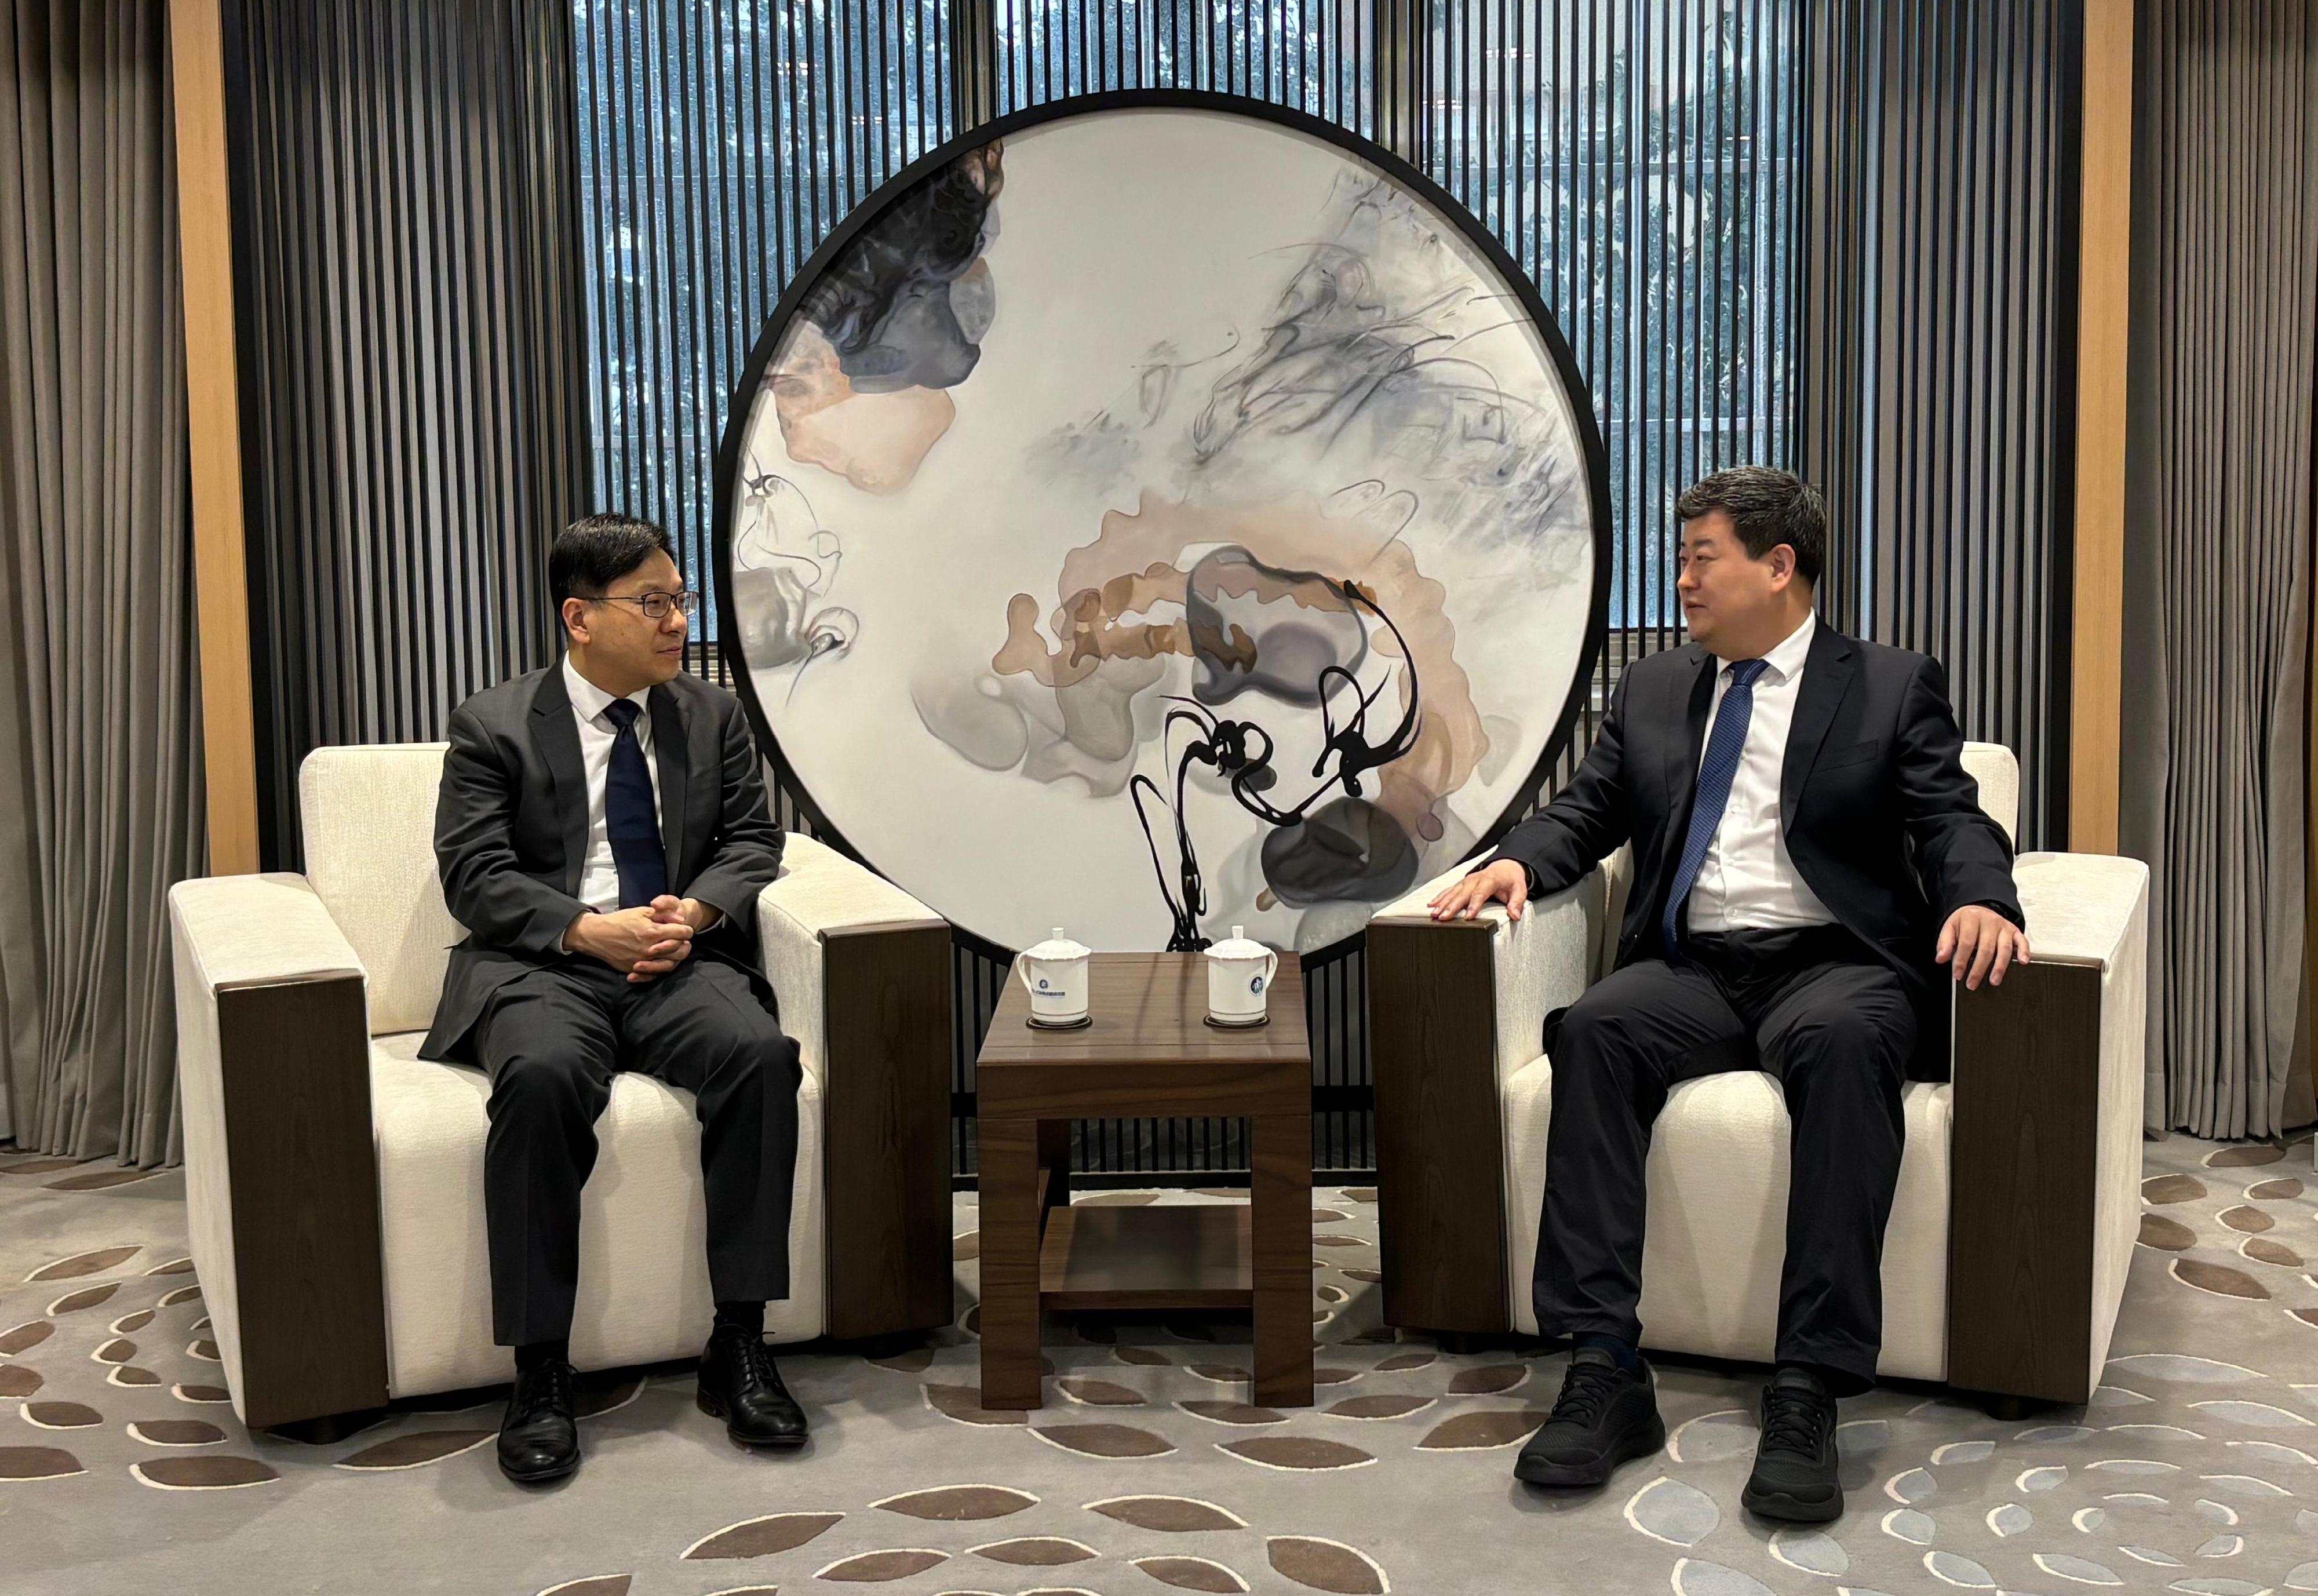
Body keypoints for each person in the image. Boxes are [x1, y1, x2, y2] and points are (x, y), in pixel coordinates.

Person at [1428, 467, 2029, 1523]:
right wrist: (1523, 861)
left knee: (1848, 1046)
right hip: (1698, 966)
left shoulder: (1888, 685)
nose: (1684, 580)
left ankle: (1809, 1386)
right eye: (1685, 557)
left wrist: (1985, 898)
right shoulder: (1661, 689)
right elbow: (1587, 808)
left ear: (1779, 566)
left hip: (1836, 962)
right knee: (1601, 1030)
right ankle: (1605, 1365)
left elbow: (1950, 818)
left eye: (1703, 556)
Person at [419, 513, 806, 1484]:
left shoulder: (708, 716)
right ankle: (540, 1367)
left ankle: (741, 1340)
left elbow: (755, 841)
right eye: (655, 602)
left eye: (680, 600)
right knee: (544, 1076)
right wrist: (589, 927)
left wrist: (699, 912)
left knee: (761, 1056)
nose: (678, 620)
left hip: (675, 961)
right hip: (546, 966)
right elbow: (475, 874)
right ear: (580, 619)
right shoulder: (494, 722)